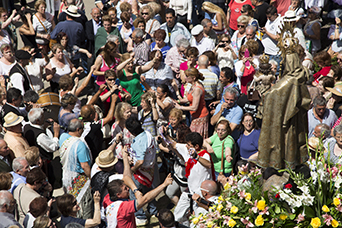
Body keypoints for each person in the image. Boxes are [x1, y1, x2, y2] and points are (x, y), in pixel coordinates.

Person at [105, 147, 173, 227]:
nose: (128, 188)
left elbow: (126, 177)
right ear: (118, 195)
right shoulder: (124, 208)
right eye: (125, 189)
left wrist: (125, 157)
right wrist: (164, 184)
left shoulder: (107, 198)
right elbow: (146, 199)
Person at [173, 132, 215, 225]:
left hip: (201, 195)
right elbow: (174, 145)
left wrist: (196, 157)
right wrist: (164, 135)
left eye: (188, 145)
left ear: (196, 146)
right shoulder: (188, 150)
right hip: (189, 192)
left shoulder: (205, 155)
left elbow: (208, 164)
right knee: (177, 215)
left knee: (199, 220)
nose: (186, 146)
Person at [125, 116, 159, 225]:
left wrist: (132, 170)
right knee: (148, 190)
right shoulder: (148, 134)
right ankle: (153, 211)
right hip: (150, 169)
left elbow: (140, 161)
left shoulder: (139, 142)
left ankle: (140, 216)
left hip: (141, 171)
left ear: (131, 131)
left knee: (134, 193)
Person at [174, 68, 210, 138]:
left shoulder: (197, 89)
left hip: (200, 117)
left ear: (193, 78)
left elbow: (194, 107)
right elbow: (189, 98)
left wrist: (180, 107)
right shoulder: (193, 86)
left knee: (196, 138)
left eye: (187, 76)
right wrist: (179, 101)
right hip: (195, 116)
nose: (185, 78)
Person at [110, 102, 134, 173]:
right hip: (121, 156)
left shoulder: (132, 123)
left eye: (130, 112)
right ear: (120, 113)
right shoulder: (115, 127)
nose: (129, 114)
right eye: (127, 112)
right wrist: (126, 157)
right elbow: (117, 145)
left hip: (133, 155)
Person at [260, 6, 282, 73]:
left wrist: (266, 32)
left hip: (274, 54)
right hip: (267, 52)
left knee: (274, 73)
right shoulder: (270, 20)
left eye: (269, 17)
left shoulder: (280, 22)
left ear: (275, 14)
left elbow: (278, 37)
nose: (268, 18)